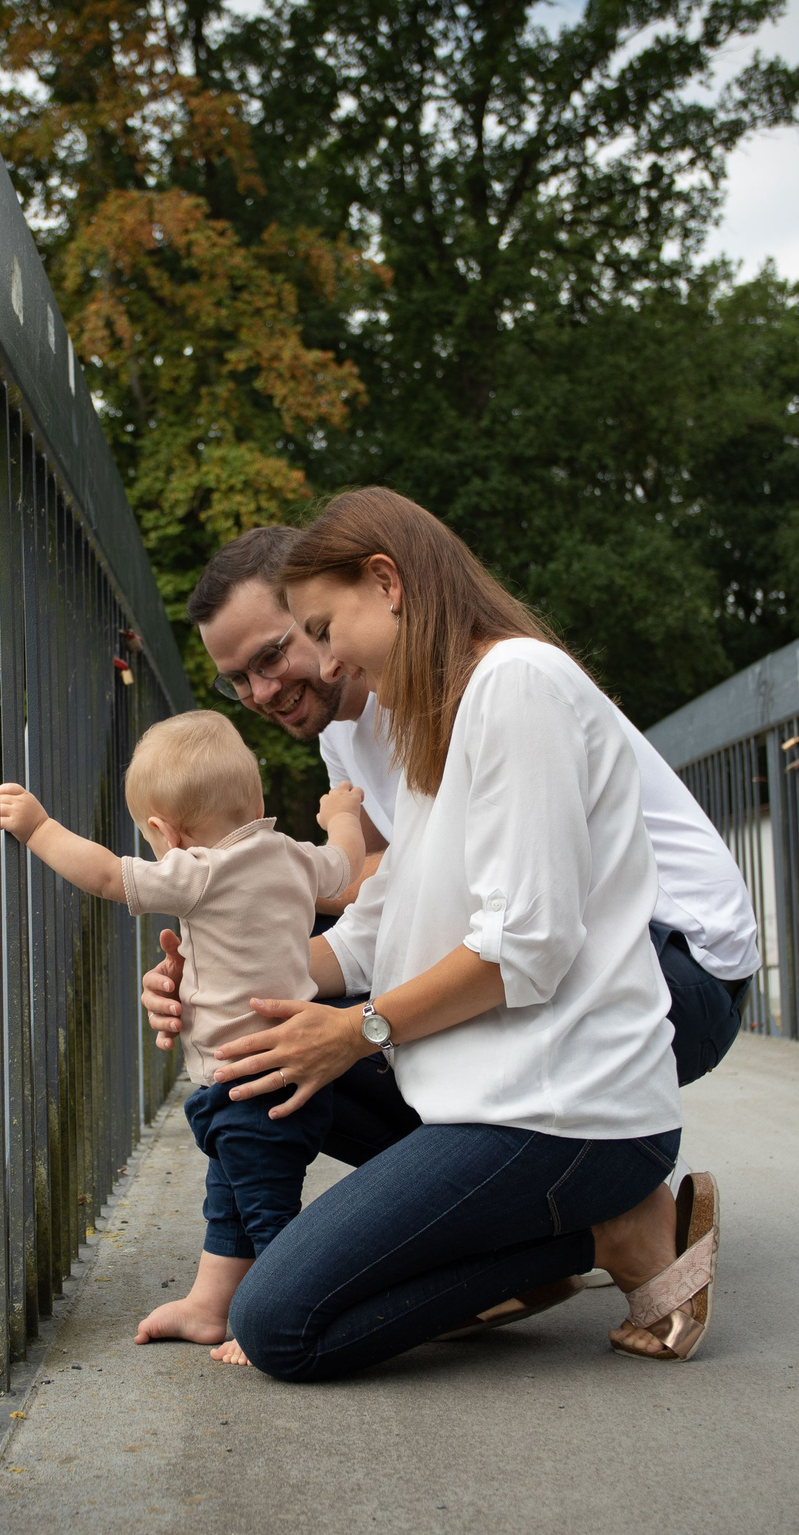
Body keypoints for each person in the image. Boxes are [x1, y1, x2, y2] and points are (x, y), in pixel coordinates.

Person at [174, 488, 721, 1376]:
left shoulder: (517, 683)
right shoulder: (436, 721)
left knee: (280, 1324)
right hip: (489, 1088)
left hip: (566, 1108)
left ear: (387, 583)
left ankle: (611, 1230)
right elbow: (374, 929)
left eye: (323, 628)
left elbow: (528, 943)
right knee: (255, 1063)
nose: (327, 659)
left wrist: (357, 1029)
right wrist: (225, 980)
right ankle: (567, 1226)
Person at [0, 710, 367, 1353]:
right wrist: (341, 815)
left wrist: (39, 828)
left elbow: (106, 875)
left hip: (249, 1081)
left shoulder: (198, 870)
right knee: (231, 1198)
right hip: (280, 1071)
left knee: (268, 1215)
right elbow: (347, 865)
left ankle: (281, 1315)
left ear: (166, 833)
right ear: (256, 803)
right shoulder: (293, 858)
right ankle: (209, 1306)